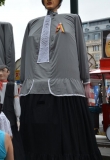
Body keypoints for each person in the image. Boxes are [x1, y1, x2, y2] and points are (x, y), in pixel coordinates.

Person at [19, 0, 102, 159]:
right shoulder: (32, 24)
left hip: (66, 89)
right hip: (34, 87)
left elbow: (80, 50)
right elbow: (25, 53)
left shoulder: (72, 19)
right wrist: (23, 81)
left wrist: (85, 80)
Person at [0, 65, 24, 160]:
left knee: (11, 140)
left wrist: (18, 117)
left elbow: (16, 102)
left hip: (10, 117)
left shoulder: (12, 85)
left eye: (3, 71)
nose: (1, 73)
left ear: (8, 72)